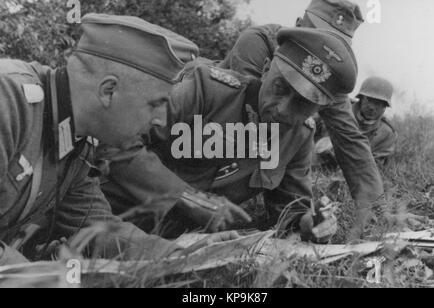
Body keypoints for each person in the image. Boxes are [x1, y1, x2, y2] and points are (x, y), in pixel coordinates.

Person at [0, 13, 235, 266]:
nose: (160, 120)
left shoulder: (77, 143)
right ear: (108, 91)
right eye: (156, 104)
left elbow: (97, 227)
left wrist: (181, 254)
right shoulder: (10, 101)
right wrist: (34, 277)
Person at [101, 26, 358, 243]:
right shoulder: (206, 89)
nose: (282, 108)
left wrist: (309, 224)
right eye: (280, 88)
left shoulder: (299, 135)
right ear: (267, 68)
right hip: (111, 215)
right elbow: (118, 142)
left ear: (319, 109)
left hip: (180, 243)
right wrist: (187, 197)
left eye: (303, 104)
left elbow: (289, 209)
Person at [218, 0, 387, 235]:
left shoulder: (325, 76)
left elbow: (349, 138)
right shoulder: (257, 42)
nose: (321, 53)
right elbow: (246, 114)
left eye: (333, 47)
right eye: (317, 37)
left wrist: (377, 211)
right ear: (299, 24)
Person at [314, 77, 397, 167]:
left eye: (378, 103)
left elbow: (374, 165)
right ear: (361, 98)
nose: (372, 107)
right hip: (314, 160)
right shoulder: (339, 111)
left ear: (385, 106)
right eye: (369, 100)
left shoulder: (387, 133)